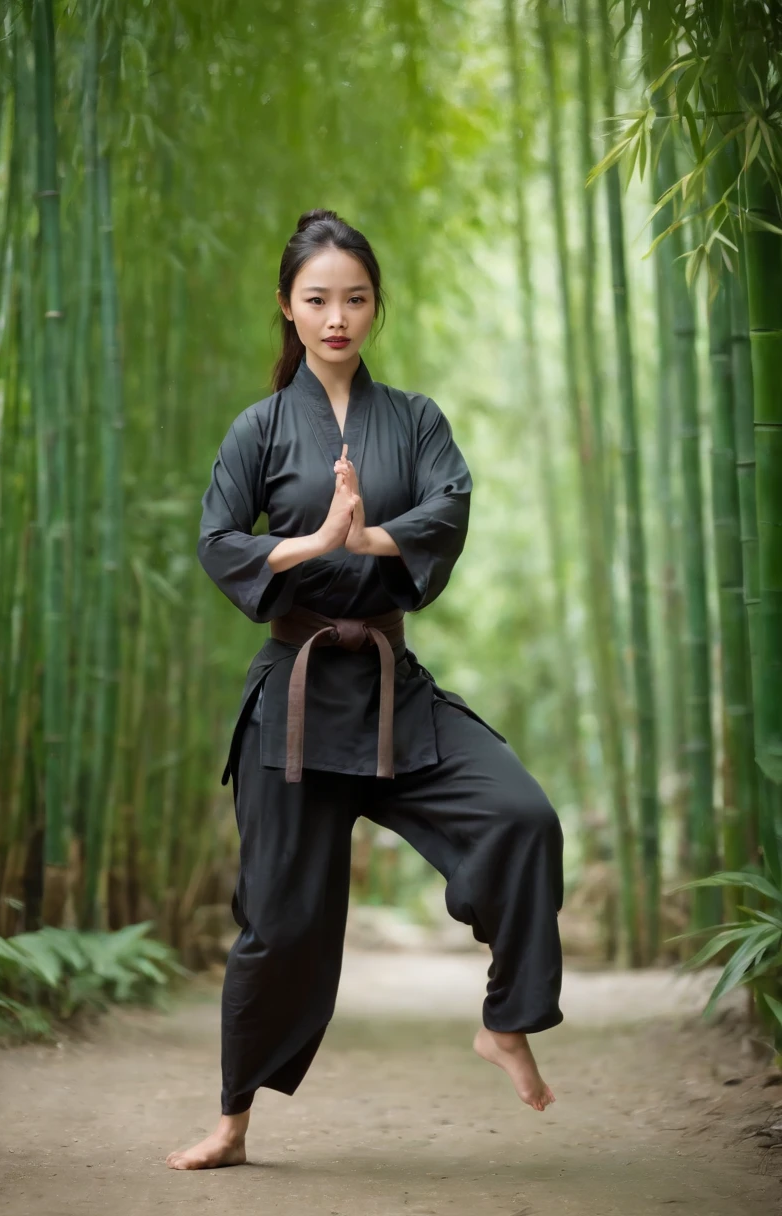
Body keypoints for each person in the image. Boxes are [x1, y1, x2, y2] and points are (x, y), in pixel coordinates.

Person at [166, 209, 564, 1171]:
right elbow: (221, 539)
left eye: (354, 298)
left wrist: (369, 535)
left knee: (521, 816)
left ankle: (506, 1019)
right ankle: (232, 1120)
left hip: (392, 690)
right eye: (317, 300)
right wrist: (312, 540)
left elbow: (448, 505)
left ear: (375, 308)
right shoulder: (258, 428)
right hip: (296, 703)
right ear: (288, 311)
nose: (336, 316)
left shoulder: (415, 419)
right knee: (281, 924)